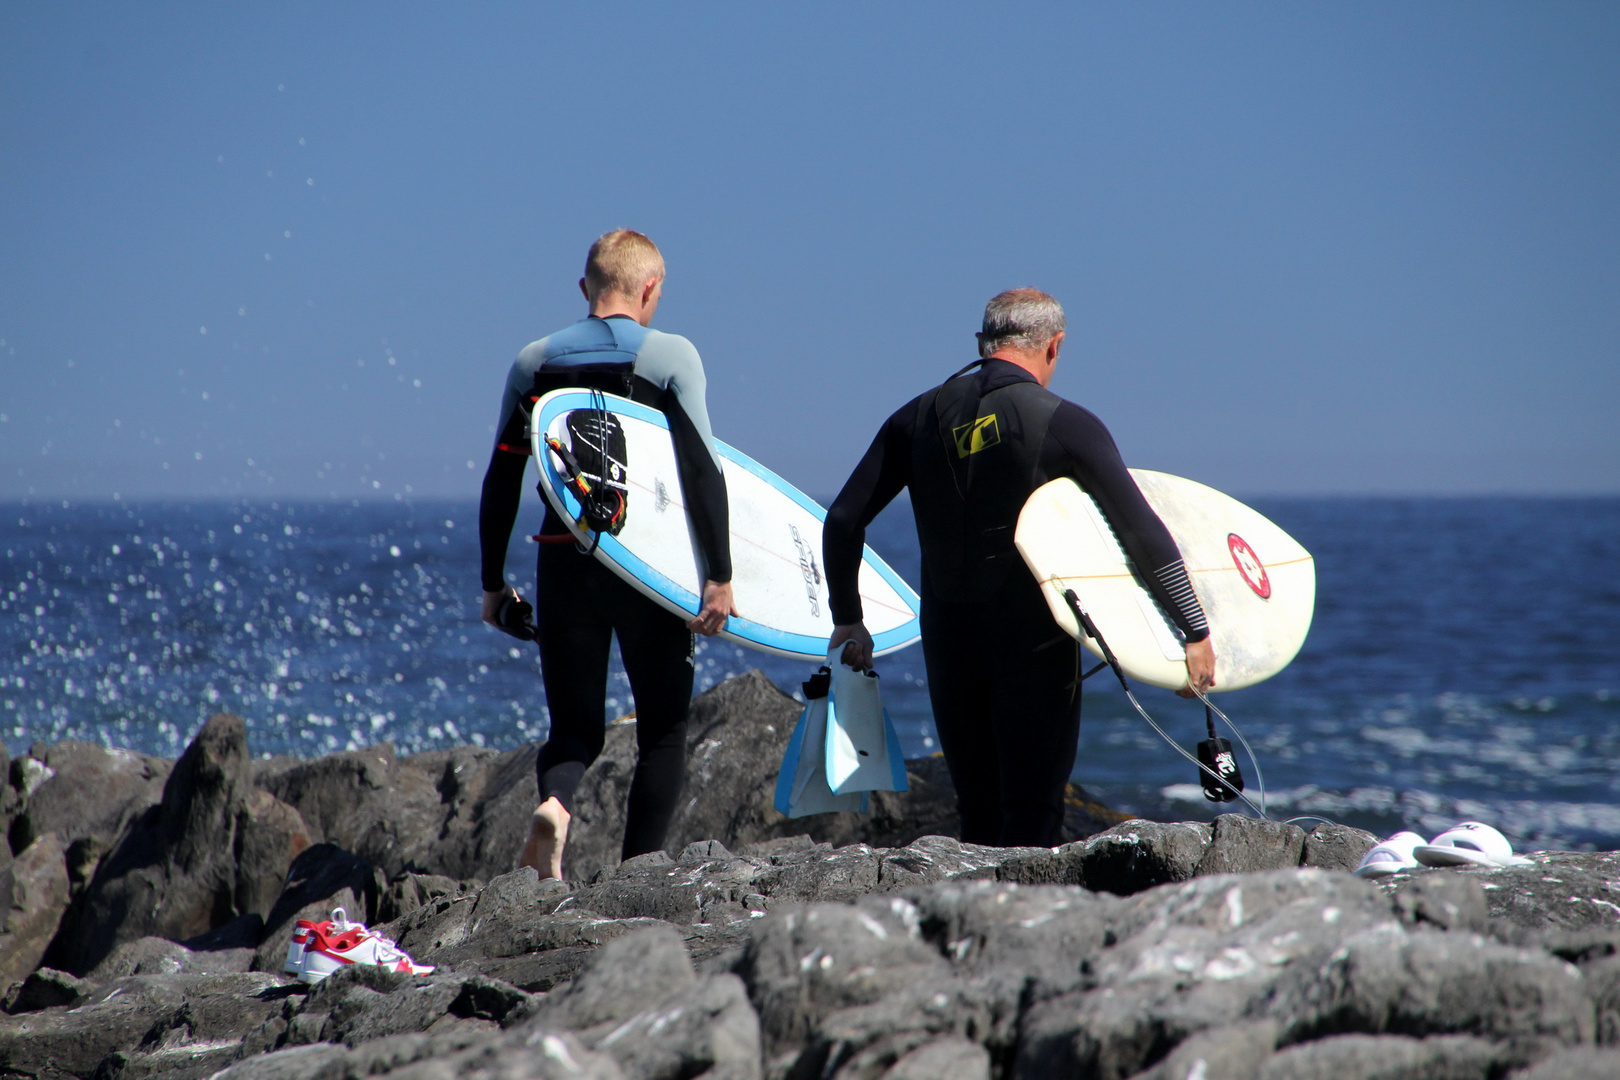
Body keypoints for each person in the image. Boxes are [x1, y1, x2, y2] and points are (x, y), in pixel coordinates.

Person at [822, 288, 1215, 848]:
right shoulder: (1065, 424)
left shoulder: (914, 419)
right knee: (1032, 812)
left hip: (948, 640)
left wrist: (848, 618)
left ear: (982, 344)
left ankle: (970, 931)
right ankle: (1021, 927)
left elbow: (841, 520)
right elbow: (1140, 531)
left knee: (977, 815)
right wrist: (1193, 629)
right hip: (1032, 646)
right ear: (1053, 347)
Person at [478, 229, 736, 880]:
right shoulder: (672, 355)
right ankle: (638, 876)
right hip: (648, 566)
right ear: (651, 289)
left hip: (563, 557)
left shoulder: (534, 360)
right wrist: (720, 577)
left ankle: (557, 807)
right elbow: (704, 471)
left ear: (585, 289)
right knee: (664, 730)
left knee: (573, 729)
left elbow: (502, 476)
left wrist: (492, 585)